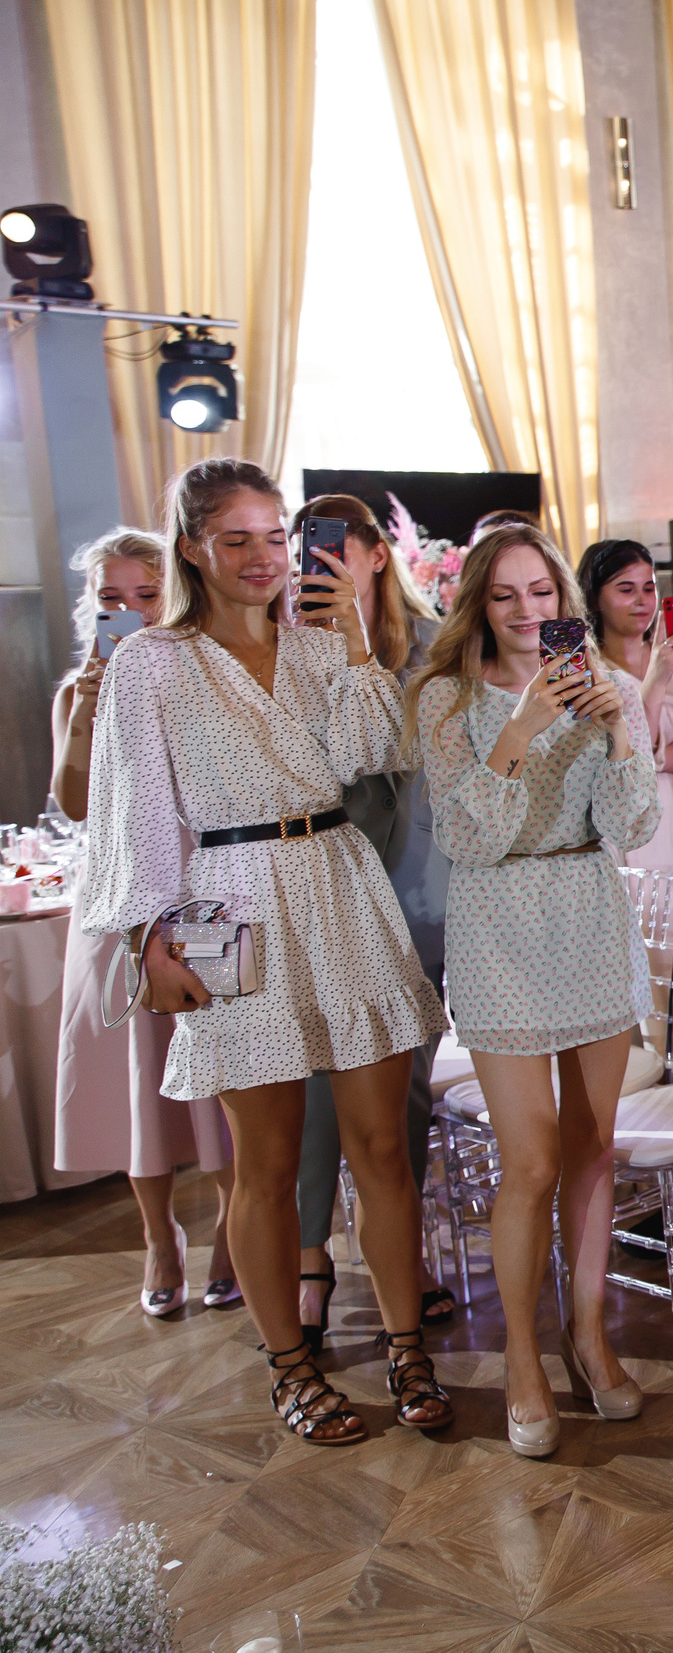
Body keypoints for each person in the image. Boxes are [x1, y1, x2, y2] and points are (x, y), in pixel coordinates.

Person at [78, 458, 452, 1447]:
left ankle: (408, 1341)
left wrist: (359, 631)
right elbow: (138, 810)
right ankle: (292, 1366)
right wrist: (148, 934)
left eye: (272, 537)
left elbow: (380, 752)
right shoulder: (151, 664)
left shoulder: (321, 648)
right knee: (267, 1163)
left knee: (381, 1149)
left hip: (337, 879)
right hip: (224, 900)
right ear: (194, 545)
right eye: (235, 539)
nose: (259, 558)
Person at [410, 524, 659, 1457]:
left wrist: (619, 727)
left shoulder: (614, 687)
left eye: (542, 592)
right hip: (499, 931)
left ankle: (587, 1337)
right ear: (479, 603)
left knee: (594, 1148)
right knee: (534, 1161)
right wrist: (520, 730)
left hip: (590, 917)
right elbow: (470, 838)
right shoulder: (445, 699)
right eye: (506, 595)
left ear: (565, 599)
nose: (528, 612)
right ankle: (522, 1356)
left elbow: (630, 823)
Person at [51, 529, 239, 1318]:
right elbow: (72, 803)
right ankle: (160, 1236)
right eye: (112, 600)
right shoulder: (77, 691)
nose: (128, 611)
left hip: (199, 882)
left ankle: (233, 1236)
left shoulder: (206, 673)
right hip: (115, 892)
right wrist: (91, 713)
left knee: (228, 1072)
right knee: (137, 1079)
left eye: (145, 595)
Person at [282, 495, 454, 1346]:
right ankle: (310, 1249)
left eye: (332, 549)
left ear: (378, 555)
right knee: (317, 1071)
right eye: (300, 550)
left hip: (420, 892)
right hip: (327, 886)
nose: (315, 565)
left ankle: (404, 1253)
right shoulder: (294, 653)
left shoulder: (436, 650)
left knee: (408, 1086)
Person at [578, 538, 673, 883]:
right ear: (595, 596)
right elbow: (613, 752)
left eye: (649, 589)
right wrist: (656, 678)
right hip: (626, 819)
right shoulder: (588, 670)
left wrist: (665, 758)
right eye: (626, 589)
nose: (642, 601)